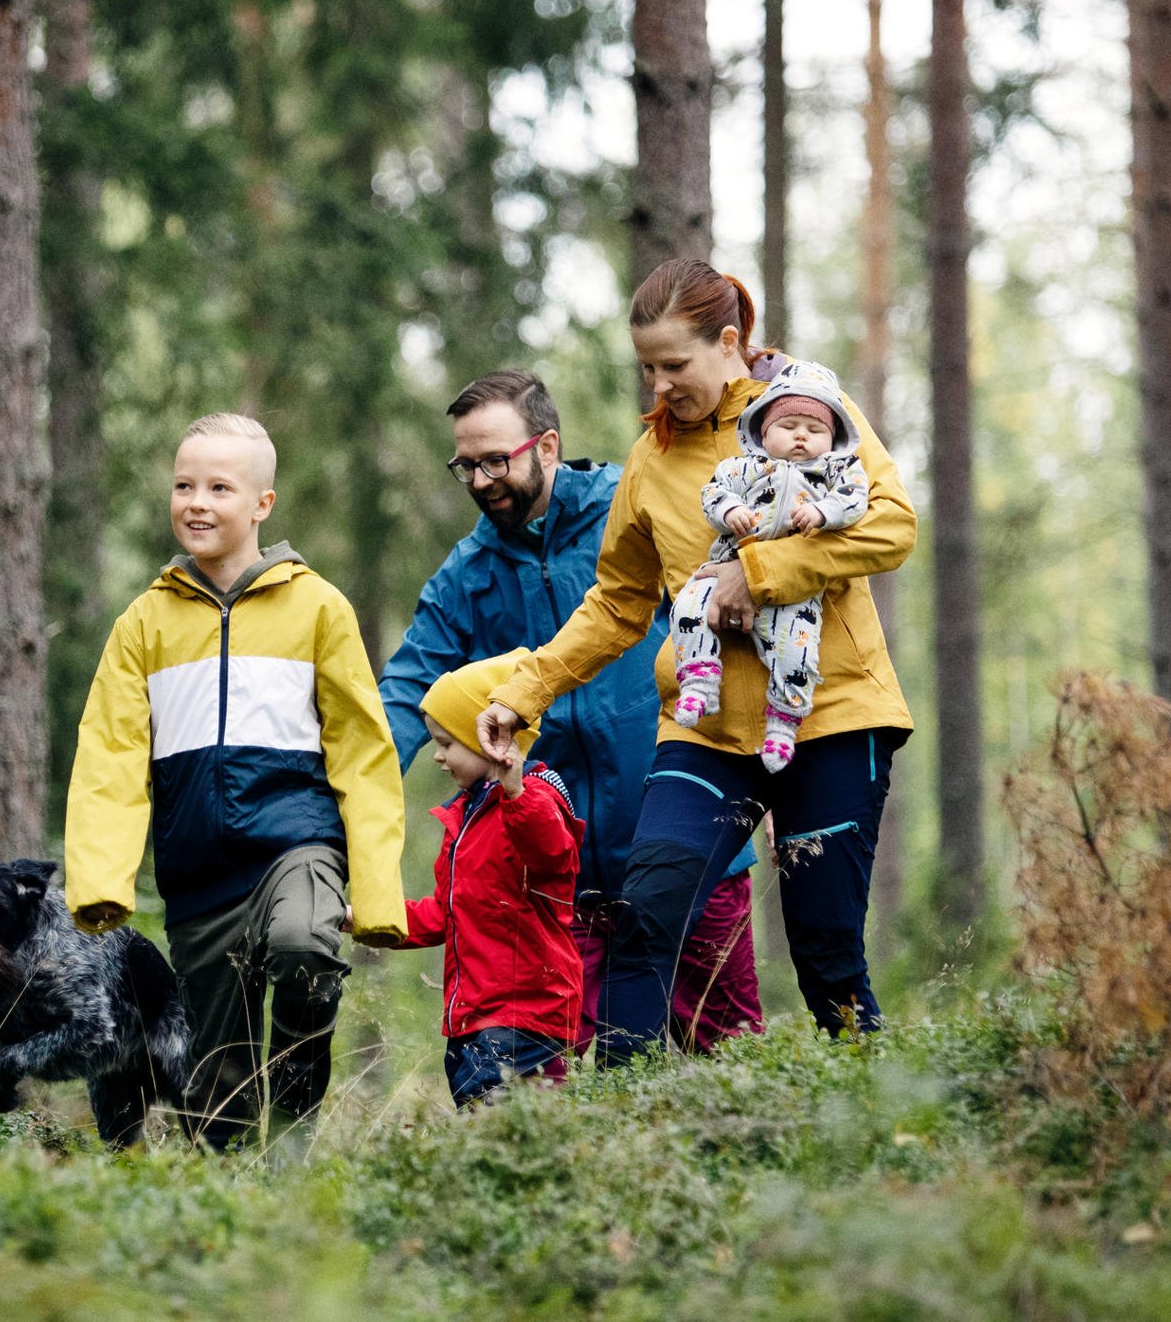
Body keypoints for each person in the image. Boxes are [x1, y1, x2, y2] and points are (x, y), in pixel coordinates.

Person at [477, 259, 914, 1062]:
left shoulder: (807, 413)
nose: (658, 382)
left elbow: (892, 527)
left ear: (728, 342)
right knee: (646, 913)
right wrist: (522, 693)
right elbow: (616, 603)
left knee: (825, 953)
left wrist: (758, 573)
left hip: (830, 711)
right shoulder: (652, 457)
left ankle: (880, 1118)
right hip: (705, 726)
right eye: (647, 365)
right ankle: (628, 1124)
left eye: (674, 364)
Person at [379, 370, 762, 1056]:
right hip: (560, 878)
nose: (477, 480)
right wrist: (343, 798)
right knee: (573, 1079)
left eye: (494, 459)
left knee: (731, 1049)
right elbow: (406, 691)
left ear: (547, 446)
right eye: (463, 464)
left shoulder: (632, 506)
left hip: (686, 836)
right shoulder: (467, 574)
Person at [63, 412, 407, 1152]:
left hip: (296, 847)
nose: (197, 501)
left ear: (261, 505)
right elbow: (110, 761)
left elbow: (362, 751)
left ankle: (292, 1129)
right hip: (198, 880)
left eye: (220, 486)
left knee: (304, 949)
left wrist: (376, 889)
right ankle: (237, 1203)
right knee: (216, 1098)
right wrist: (99, 882)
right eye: (184, 484)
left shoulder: (317, 607)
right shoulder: (144, 624)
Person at [391, 650, 585, 1108]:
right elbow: (443, 913)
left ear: (487, 738)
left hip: (526, 1018)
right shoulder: (464, 818)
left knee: (498, 1135)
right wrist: (369, 918)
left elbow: (555, 856)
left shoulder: (534, 798)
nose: (437, 756)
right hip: (471, 1020)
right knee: (489, 1135)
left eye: (446, 742)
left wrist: (514, 789)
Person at [670, 358, 870, 772]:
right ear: (763, 430)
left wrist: (824, 513)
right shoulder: (742, 468)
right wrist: (729, 511)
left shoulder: (832, 471)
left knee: (797, 649)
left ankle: (784, 721)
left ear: (832, 439)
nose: (801, 437)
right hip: (726, 565)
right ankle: (698, 677)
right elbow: (712, 493)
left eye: (815, 430)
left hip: (793, 591)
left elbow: (855, 497)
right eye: (788, 426)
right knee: (688, 605)